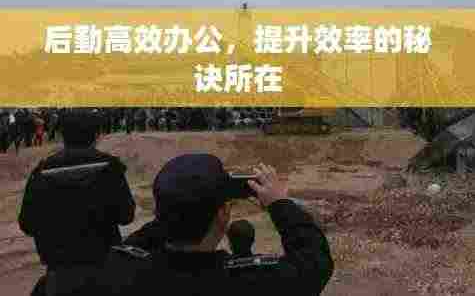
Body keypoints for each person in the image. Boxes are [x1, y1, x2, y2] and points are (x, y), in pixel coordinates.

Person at [80, 154, 334, 295]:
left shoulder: (120, 272)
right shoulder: (251, 283)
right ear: (223, 214)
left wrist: (174, 207)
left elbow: (139, 240)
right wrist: (279, 203)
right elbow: (315, 262)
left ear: (160, 212)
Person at [18, 109, 136, 296]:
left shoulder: (42, 171)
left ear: (62, 134)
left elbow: (27, 224)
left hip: (60, 271)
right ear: (96, 134)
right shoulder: (111, 168)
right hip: (104, 266)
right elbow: (126, 216)